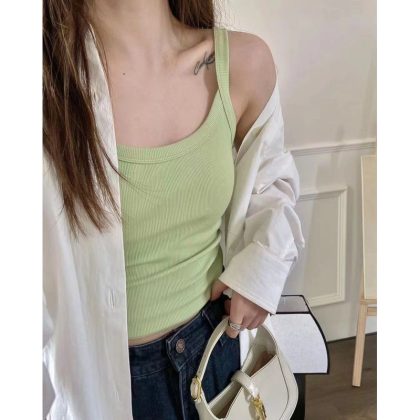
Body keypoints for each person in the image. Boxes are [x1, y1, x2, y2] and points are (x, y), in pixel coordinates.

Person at [43, 0, 306, 419]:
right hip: (105, 384)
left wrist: (260, 272)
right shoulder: (48, 94)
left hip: (218, 355)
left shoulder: (242, 64)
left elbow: (272, 182)